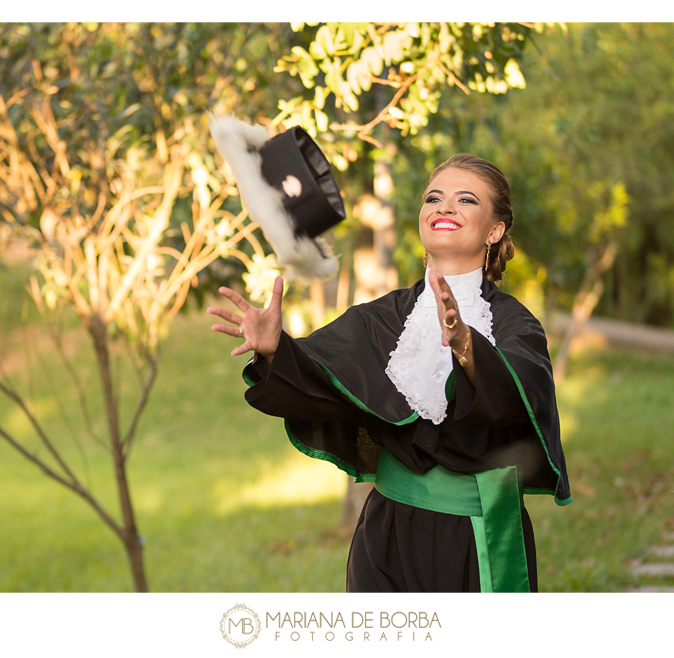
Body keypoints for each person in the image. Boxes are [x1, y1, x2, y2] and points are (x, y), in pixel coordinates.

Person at [208, 154, 571, 592]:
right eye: (433, 198)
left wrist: (465, 345)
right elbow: (322, 379)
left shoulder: (514, 323)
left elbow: (519, 392)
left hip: (476, 541)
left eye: (466, 200)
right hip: (385, 537)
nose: (444, 207)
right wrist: (274, 350)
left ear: (495, 230)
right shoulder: (384, 319)